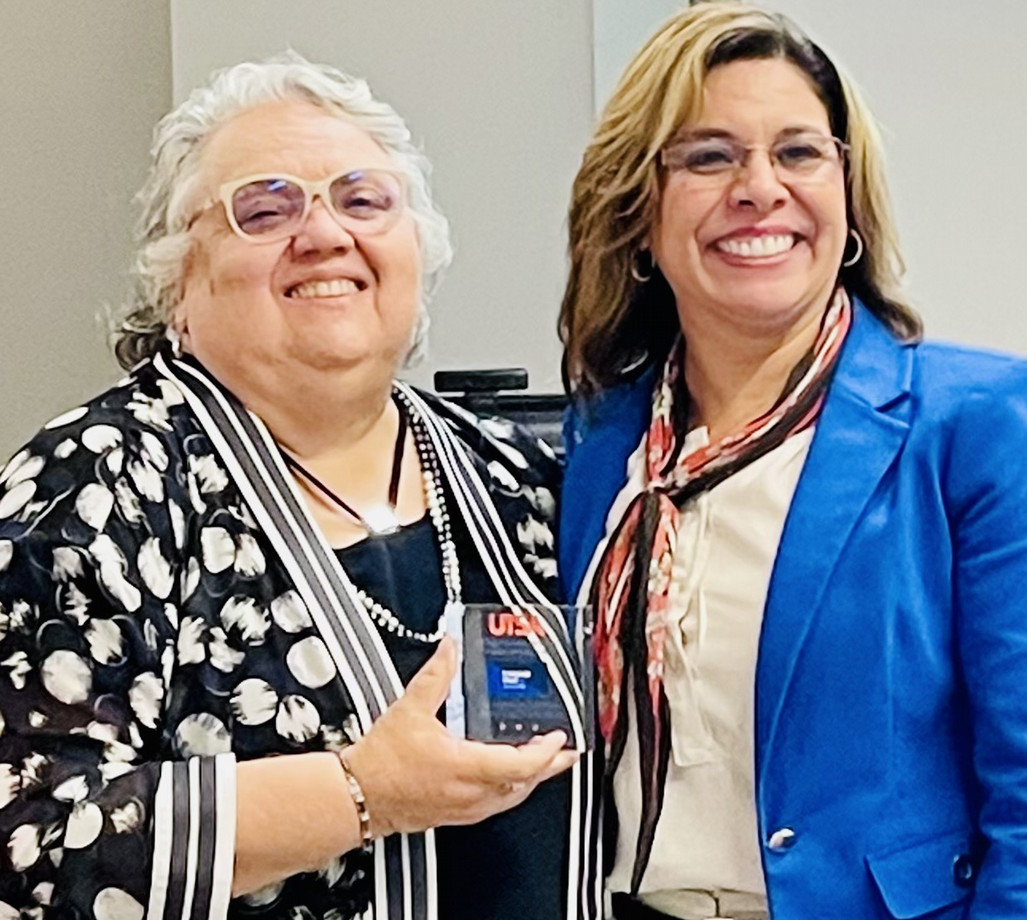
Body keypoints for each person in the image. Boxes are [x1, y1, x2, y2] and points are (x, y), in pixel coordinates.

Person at [0, 54, 599, 920]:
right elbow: (29, 841)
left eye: (363, 200)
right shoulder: (85, 496)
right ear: (179, 286)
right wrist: (361, 793)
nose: (324, 234)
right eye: (265, 209)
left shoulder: (521, 476)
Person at [557, 3, 1027, 919]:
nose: (759, 188)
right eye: (709, 156)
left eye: (798, 153)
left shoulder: (979, 421)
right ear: (640, 214)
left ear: (850, 197)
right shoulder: (603, 446)